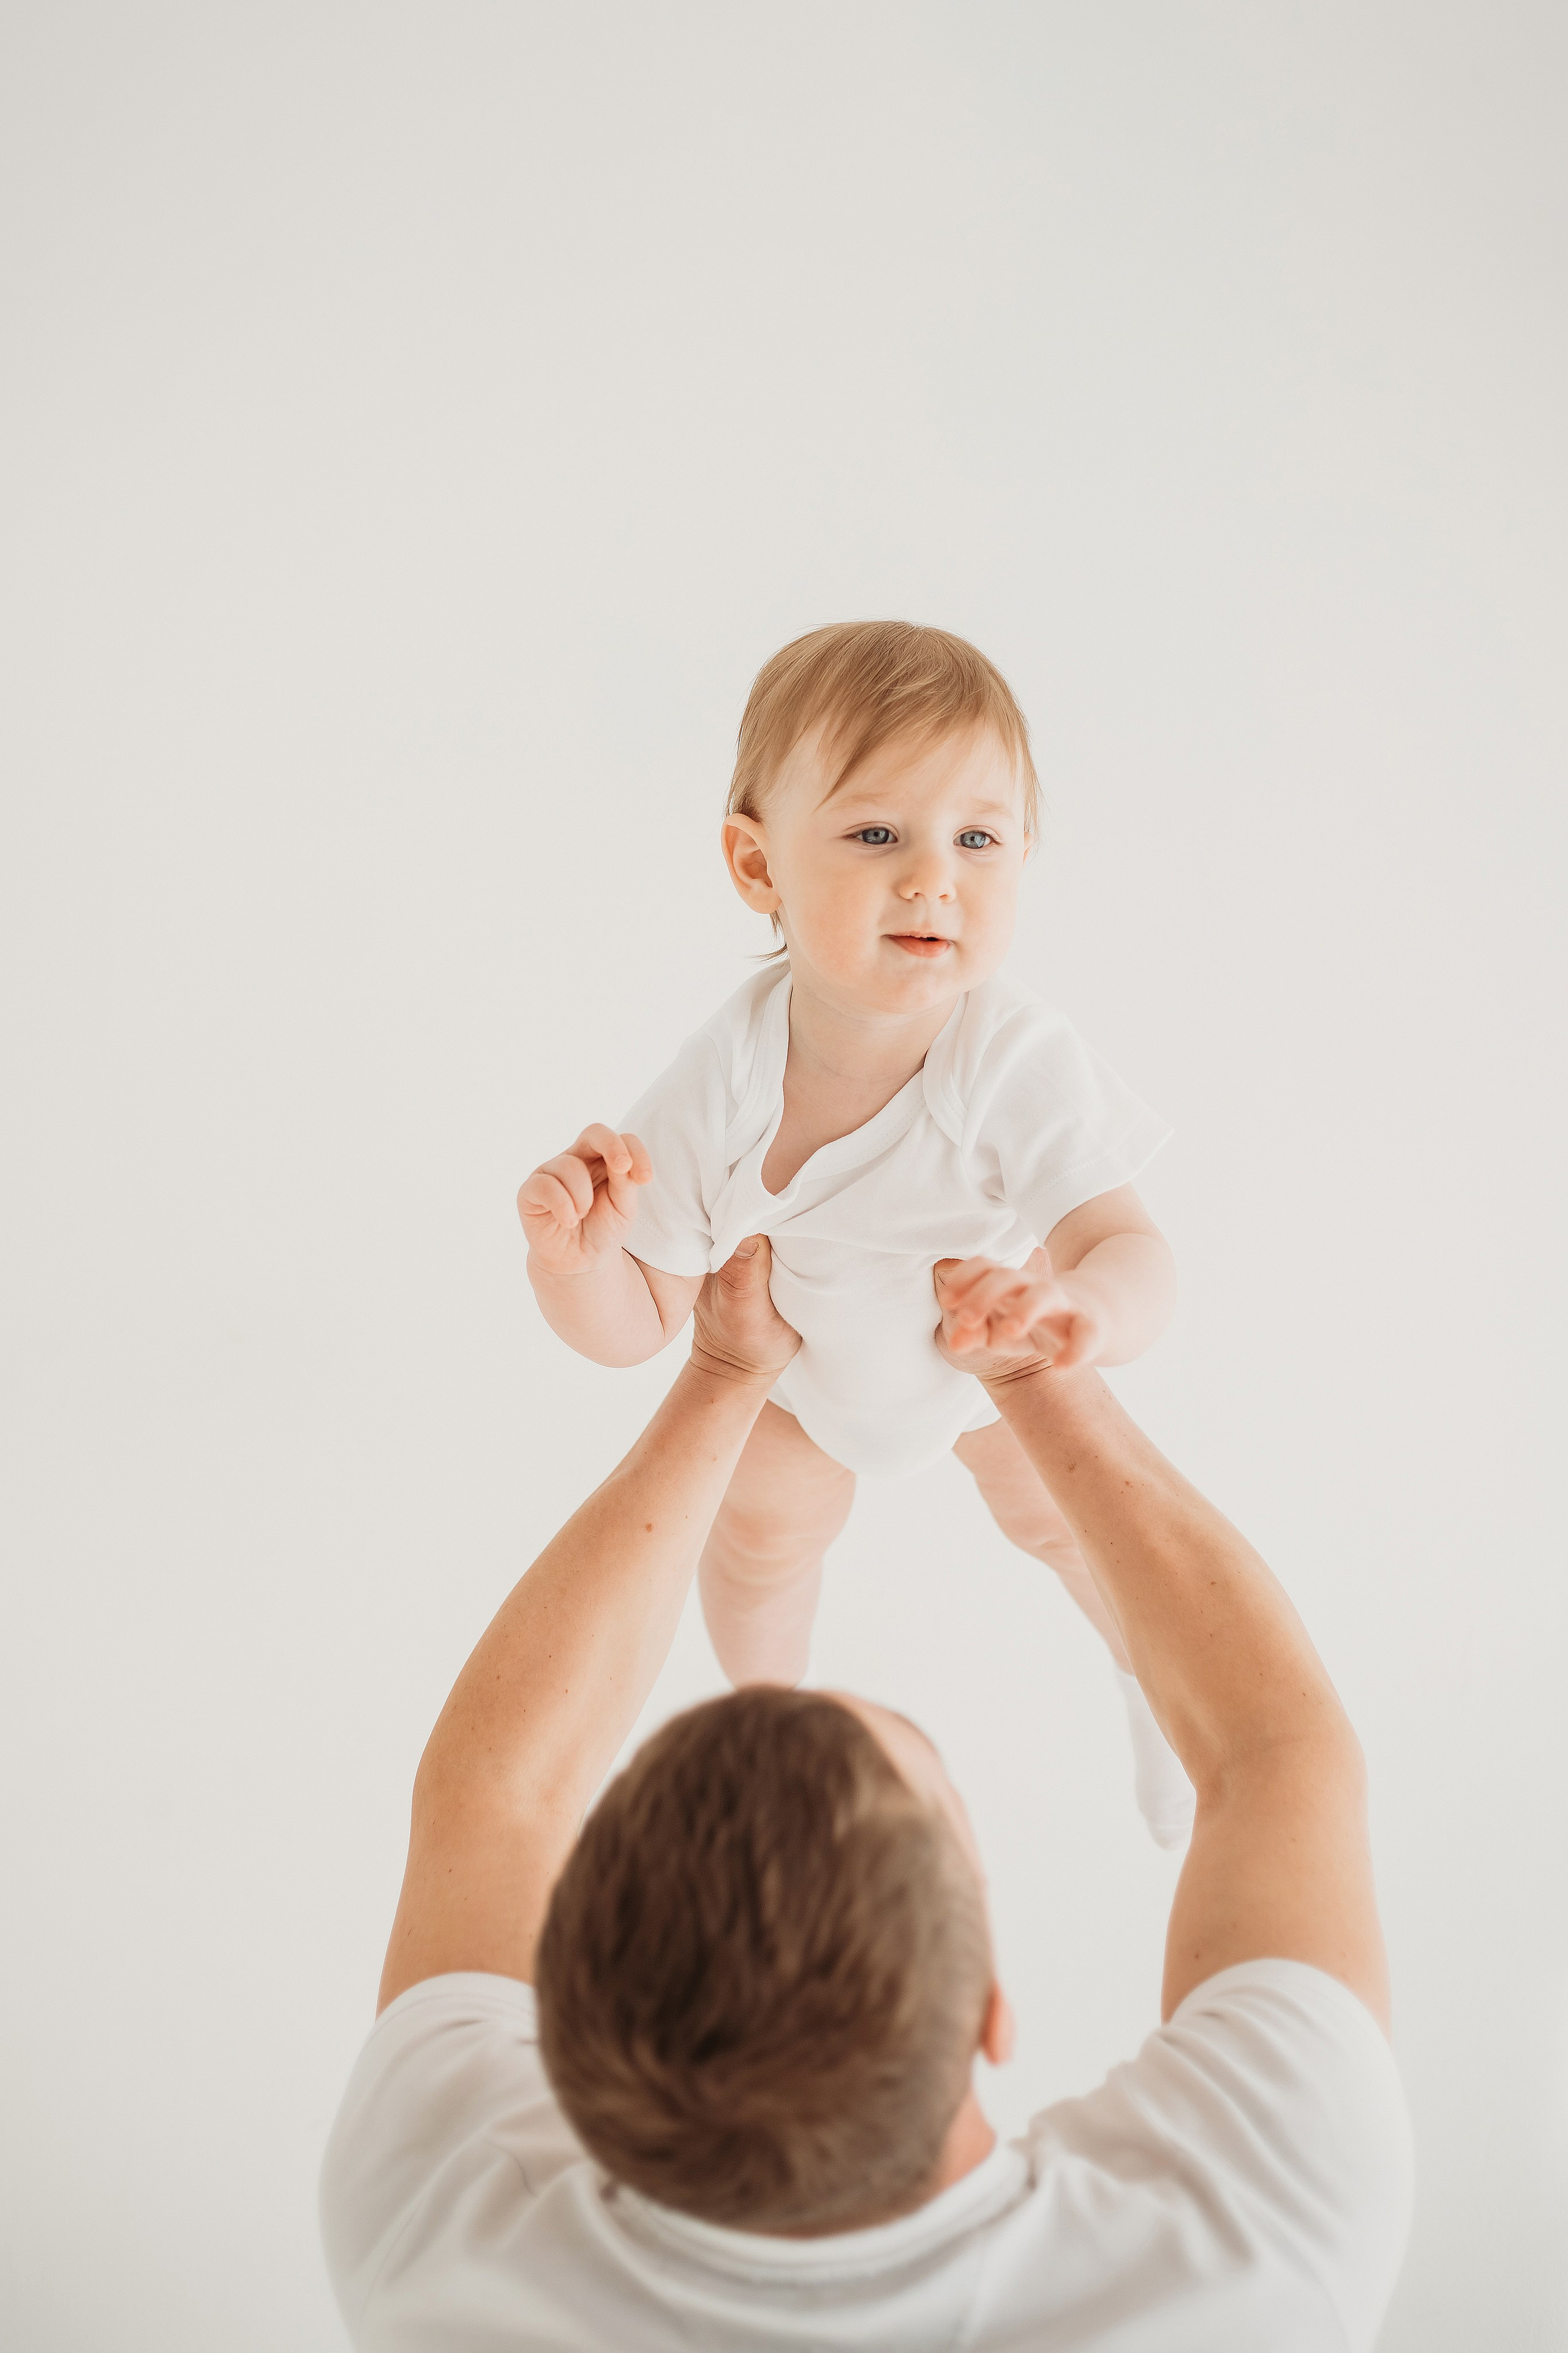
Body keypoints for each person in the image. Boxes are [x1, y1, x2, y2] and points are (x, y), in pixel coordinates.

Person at [320, 1238, 1412, 2351]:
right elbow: (1281, 1749)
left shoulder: (444, 2256)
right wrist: (1036, 1383)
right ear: (993, 2008)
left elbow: (500, 1796)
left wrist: (723, 1374)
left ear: (564, 2017)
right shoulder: (1261, 2248)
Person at [520, 618, 1193, 1843]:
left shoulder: (1010, 1056)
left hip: (989, 1365)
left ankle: (1151, 1683)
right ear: (756, 863)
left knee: (1067, 1515)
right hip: (797, 1382)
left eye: (976, 839)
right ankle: (771, 1722)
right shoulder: (724, 1070)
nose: (933, 876)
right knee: (759, 1525)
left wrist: (1082, 1308)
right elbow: (637, 1324)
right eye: (876, 833)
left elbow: (1132, 1249)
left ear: (1023, 854)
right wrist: (572, 1262)